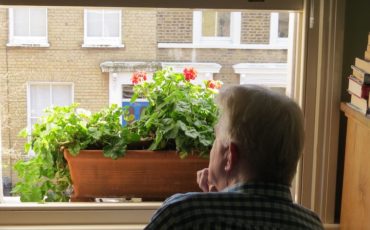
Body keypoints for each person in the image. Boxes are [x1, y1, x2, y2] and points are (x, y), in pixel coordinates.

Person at [145, 85, 324, 229]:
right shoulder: (311, 224)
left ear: (230, 156)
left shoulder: (183, 215)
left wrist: (209, 205)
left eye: (215, 142)